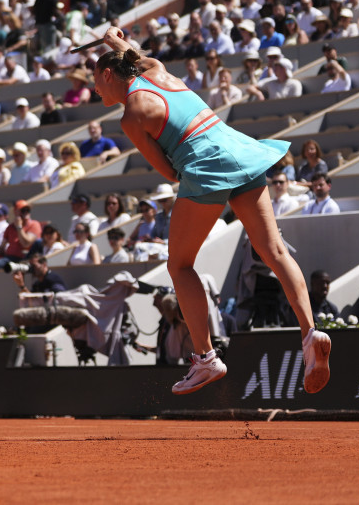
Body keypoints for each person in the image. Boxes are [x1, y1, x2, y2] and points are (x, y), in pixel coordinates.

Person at [92, 26, 330, 395]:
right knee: (275, 251)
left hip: (206, 167)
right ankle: (310, 332)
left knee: (180, 265)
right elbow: (131, 58)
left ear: (108, 74)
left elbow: (170, 171)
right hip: (237, 149)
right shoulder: (153, 66)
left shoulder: (131, 115)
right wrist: (115, 39)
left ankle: (206, 358)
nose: (96, 91)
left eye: (97, 82)